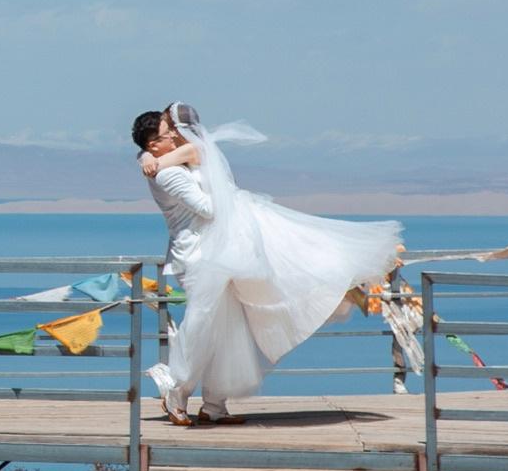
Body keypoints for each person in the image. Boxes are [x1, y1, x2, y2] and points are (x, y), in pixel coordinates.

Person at [131, 102, 404, 426]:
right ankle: (175, 391)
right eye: (167, 134)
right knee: (201, 326)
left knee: (229, 329)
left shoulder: (177, 157)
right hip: (199, 257)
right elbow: (207, 208)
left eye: (175, 130)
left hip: (222, 254)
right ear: (154, 144)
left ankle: (215, 404)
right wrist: (227, 194)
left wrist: (155, 156)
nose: (175, 136)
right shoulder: (167, 172)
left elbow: (195, 154)